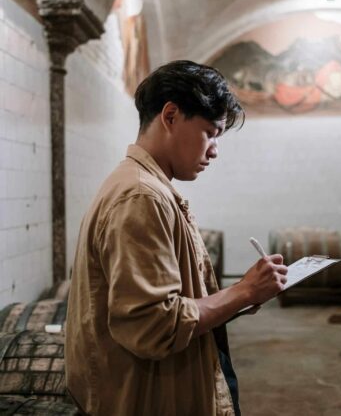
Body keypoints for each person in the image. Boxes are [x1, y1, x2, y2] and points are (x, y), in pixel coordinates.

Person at [65, 60, 288, 416]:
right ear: (170, 116)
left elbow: (177, 298)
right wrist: (243, 291)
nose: (215, 150)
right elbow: (155, 325)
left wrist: (245, 292)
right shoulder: (141, 197)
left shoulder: (147, 186)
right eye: (211, 133)